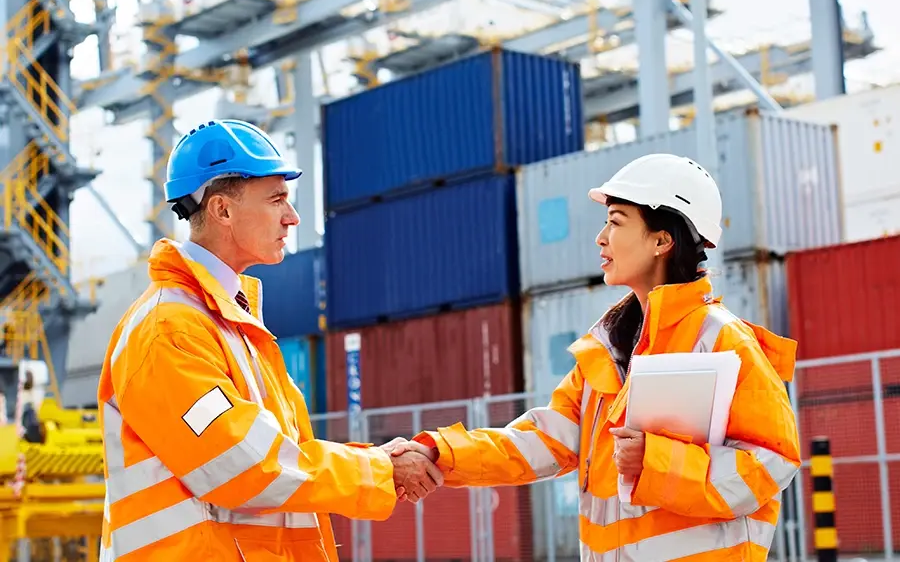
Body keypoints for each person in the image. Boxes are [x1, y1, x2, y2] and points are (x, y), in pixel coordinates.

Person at [391, 153, 802, 560]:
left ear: (662, 240)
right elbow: (538, 441)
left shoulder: (723, 340)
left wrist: (656, 462)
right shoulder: (609, 348)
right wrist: (438, 453)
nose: (600, 237)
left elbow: (772, 463)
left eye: (616, 221)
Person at [97, 119, 442, 562]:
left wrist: (376, 461)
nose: (292, 216)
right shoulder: (170, 329)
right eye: (277, 199)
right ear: (221, 210)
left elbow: (279, 457)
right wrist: (380, 469)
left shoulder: (225, 324)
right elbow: (241, 463)